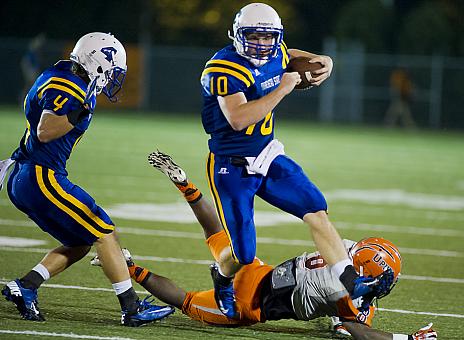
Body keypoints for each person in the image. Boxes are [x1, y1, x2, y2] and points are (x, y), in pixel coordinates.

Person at [126, 150, 437, 339]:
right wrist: (407, 339)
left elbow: (351, 293)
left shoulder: (344, 250)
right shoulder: (343, 292)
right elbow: (360, 331)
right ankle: (131, 269)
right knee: (188, 302)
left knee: (220, 236)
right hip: (247, 304)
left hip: (257, 270)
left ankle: (186, 186)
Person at [199, 2, 372, 319]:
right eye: (254, 36)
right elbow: (238, 118)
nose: (262, 44)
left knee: (315, 207)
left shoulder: (275, 50)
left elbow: (288, 53)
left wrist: (325, 61)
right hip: (231, 165)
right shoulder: (223, 68)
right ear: (237, 35)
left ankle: (349, 280)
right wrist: (283, 88)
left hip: (266, 154)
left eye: (269, 37)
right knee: (243, 253)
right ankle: (222, 278)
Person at [0, 32, 173, 326]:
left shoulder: (66, 74)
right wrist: (82, 109)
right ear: (97, 64)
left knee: (79, 241)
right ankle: (131, 309)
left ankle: (26, 286)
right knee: (104, 231)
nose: (114, 78)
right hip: (41, 176)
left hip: (29, 175)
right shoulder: (68, 86)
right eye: (113, 70)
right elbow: (45, 130)